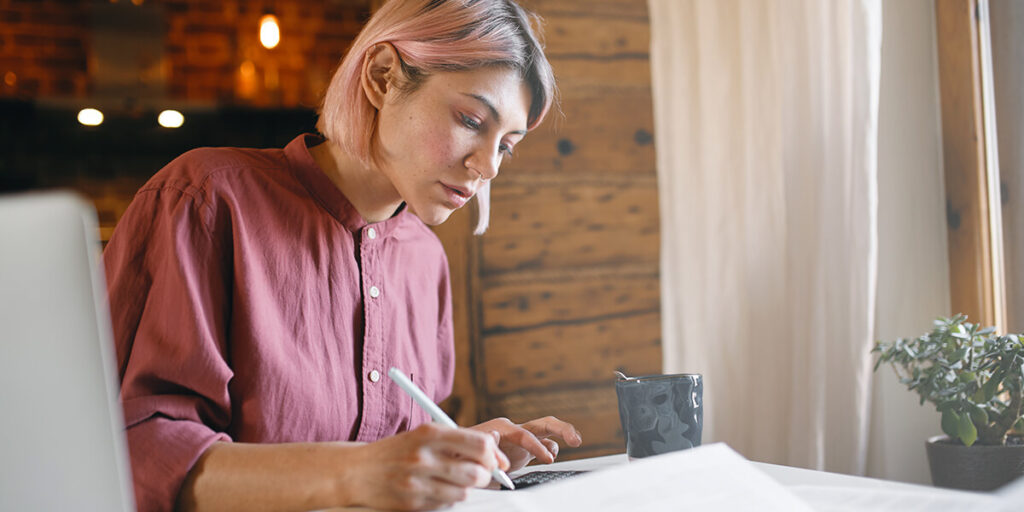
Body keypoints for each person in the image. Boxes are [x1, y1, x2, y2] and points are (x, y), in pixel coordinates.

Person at [101, 1, 582, 511]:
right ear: (381, 77)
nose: (487, 166)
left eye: (505, 145)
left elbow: (386, 466)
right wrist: (356, 473)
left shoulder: (425, 260)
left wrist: (451, 461)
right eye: (470, 119)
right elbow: (132, 451)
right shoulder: (206, 200)